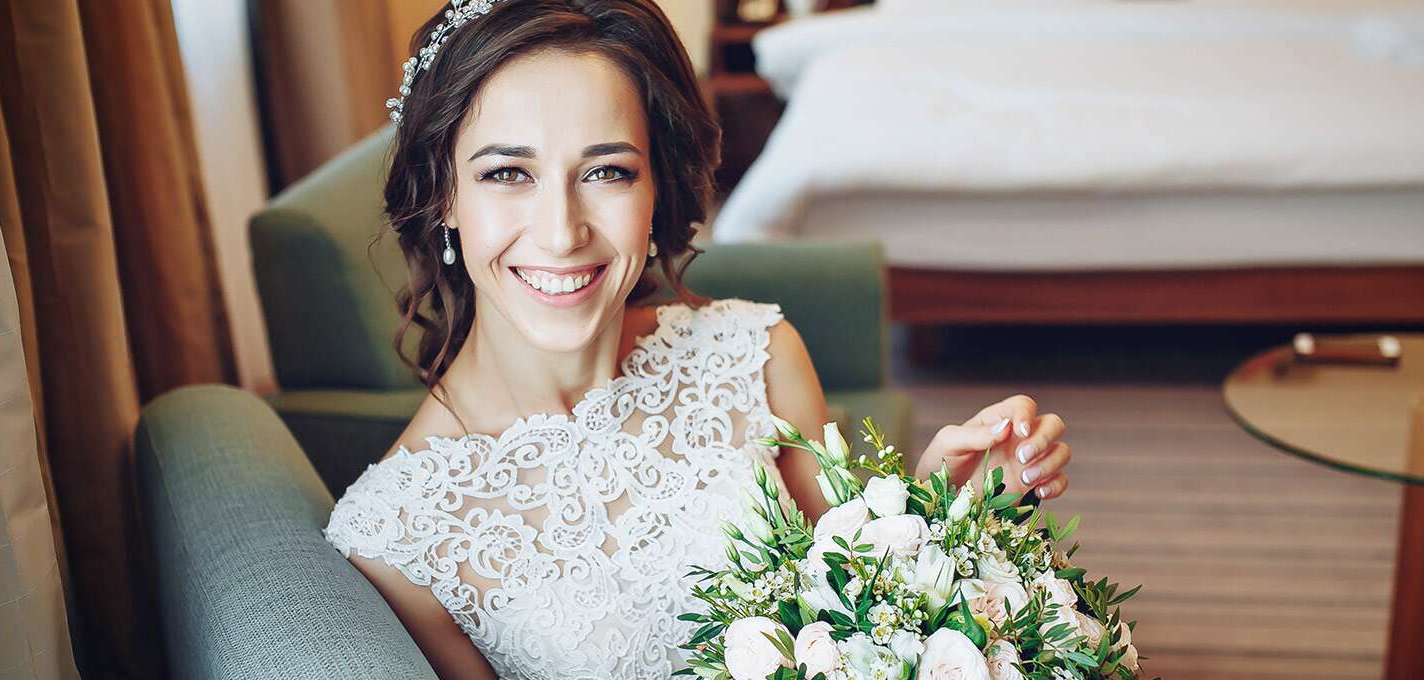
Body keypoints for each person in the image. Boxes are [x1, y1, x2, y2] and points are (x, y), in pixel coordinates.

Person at [323, 1, 1072, 677]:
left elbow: (853, 605)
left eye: (608, 171)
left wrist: (950, 510)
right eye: (508, 173)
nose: (561, 233)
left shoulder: (758, 355)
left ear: (657, 190)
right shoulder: (397, 537)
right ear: (444, 192)